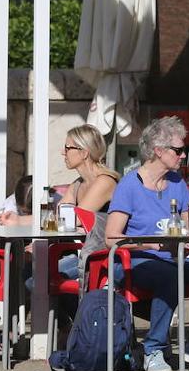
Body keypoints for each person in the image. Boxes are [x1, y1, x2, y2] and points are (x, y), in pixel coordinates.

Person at [104, 115, 189, 371]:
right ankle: (153, 349)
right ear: (158, 151)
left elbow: (188, 230)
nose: (183, 155)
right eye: (178, 150)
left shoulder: (177, 183)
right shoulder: (129, 185)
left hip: (175, 258)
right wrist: (153, 246)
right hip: (136, 261)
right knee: (170, 275)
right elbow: (111, 237)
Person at [25, 124, 120, 292]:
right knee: (25, 271)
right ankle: (69, 317)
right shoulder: (77, 185)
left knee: (37, 281)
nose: (63, 152)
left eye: (68, 148)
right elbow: (55, 220)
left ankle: (74, 317)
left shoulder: (105, 181)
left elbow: (73, 219)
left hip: (103, 255)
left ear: (84, 153)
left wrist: (19, 220)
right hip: (82, 251)